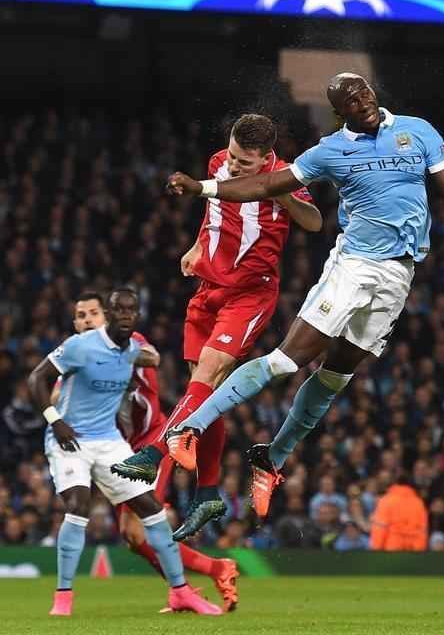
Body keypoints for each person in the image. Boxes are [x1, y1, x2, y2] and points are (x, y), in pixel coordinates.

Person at [162, 72, 444, 533]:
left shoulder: (418, 131)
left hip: (399, 274)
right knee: (289, 360)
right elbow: (266, 186)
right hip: (354, 266)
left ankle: (272, 457)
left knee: (334, 378)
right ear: (339, 111)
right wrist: (203, 187)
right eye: (349, 98)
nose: (361, 100)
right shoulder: (329, 150)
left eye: (363, 91)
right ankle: (190, 427)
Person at [111, 113, 322, 539]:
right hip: (208, 289)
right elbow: (213, 213)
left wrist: (282, 197)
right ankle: (207, 491)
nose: (234, 165)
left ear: (266, 159)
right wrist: (195, 246)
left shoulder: (286, 177)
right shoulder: (216, 164)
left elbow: (314, 222)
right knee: (204, 392)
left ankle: (154, 452)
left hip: (249, 294)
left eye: (245, 163)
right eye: (232, 154)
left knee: (206, 376)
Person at [28, 288, 221, 617]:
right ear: (110, 313)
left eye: (132, 310)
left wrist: (152, 359)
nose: (126, 315)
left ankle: (181, 593)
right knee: (78, 504)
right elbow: (36, 380)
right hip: (69, 439)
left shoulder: (132, 350)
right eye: (120, 310)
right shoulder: (80, 346)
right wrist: (55, 421)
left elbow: (148, 357)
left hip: (109, 441)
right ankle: (63, 599)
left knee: (152, 508)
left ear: (137, 316)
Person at [369, 473, 428, 551]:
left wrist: (376, 549)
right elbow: (422, 531)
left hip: (392, 548)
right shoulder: (419, 503)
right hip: (413, 549)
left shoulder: (386, 500)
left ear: (395, 484)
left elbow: (379, 528)